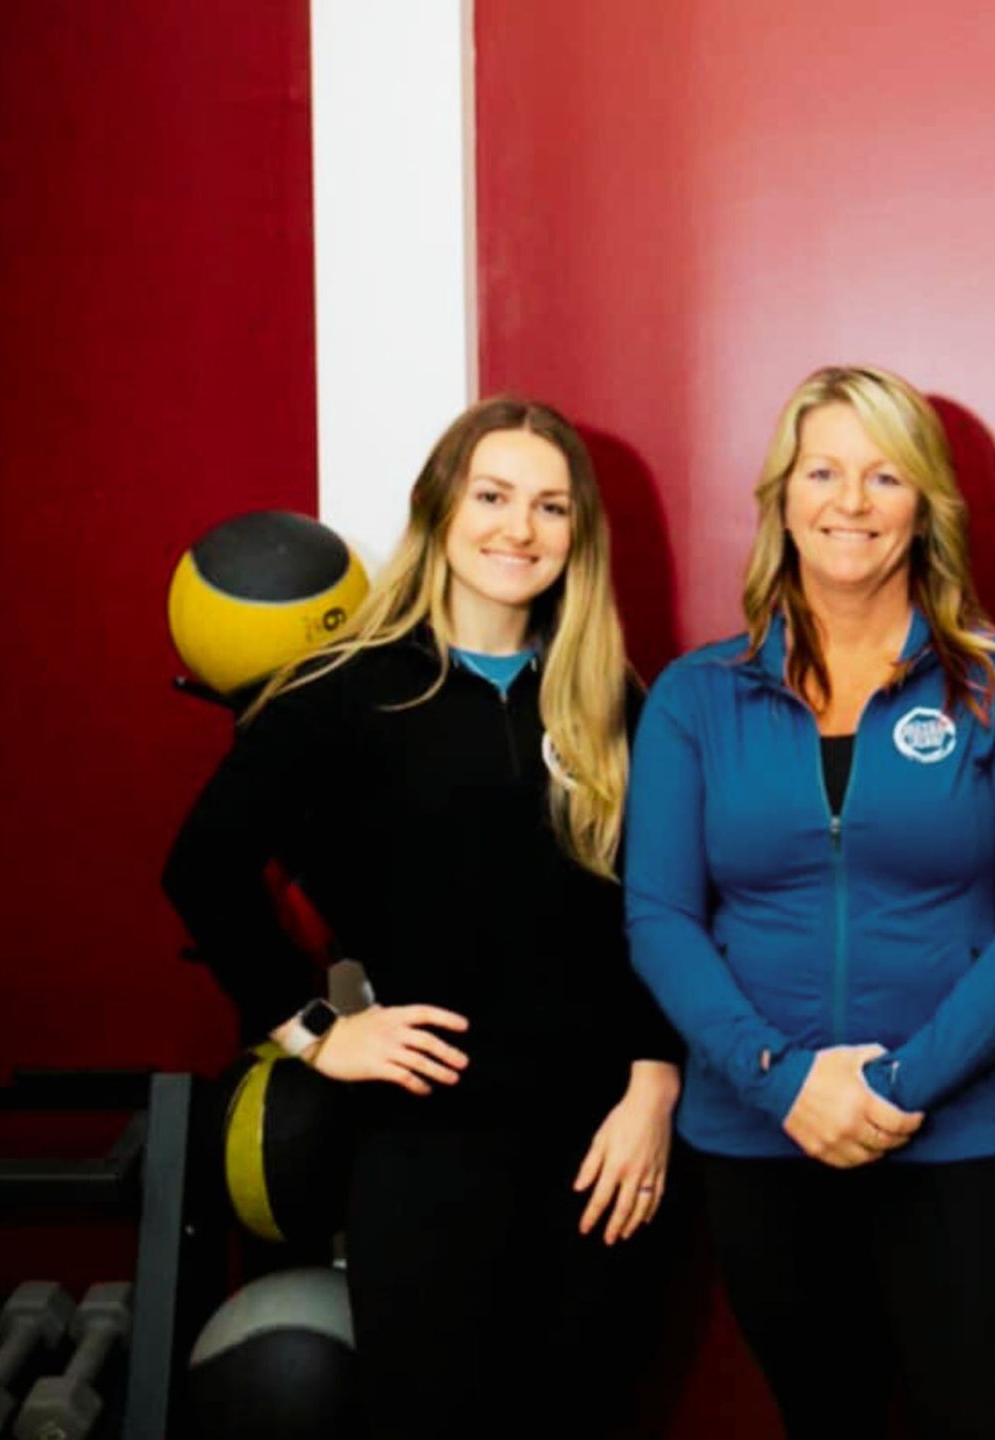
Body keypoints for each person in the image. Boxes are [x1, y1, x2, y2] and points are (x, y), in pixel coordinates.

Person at [163, 396, 681, 1439]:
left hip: (604, 1149)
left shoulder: (611, 700)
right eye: (492, 496)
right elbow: (202, 870)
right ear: (441, 509)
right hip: (429, 1145)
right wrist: (318, 1032)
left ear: (577, 534)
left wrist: (655, 1084)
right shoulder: (342, 690)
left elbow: (664, 908)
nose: (519, 528)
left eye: (550, 507)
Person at [625, 365, 995, 1439]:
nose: (851, 501)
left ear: (925, 504)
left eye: (885, 476)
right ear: (782, 498)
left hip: (958, 1138)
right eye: (823, 472)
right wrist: (784, 1083)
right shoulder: (696, 696)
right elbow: (659, 919)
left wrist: (893, 1086)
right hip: (761, 1140)